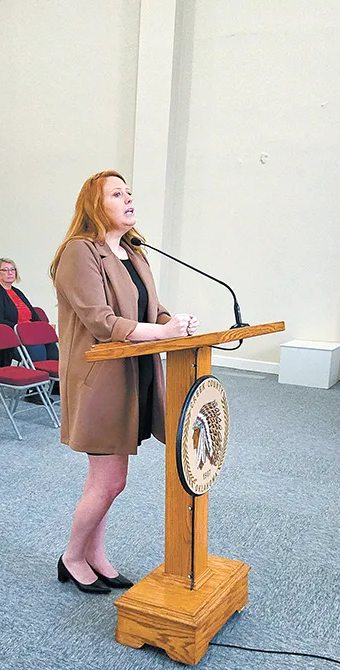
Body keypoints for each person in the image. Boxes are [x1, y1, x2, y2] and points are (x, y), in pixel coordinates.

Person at [50, 170, 199, 594]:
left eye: (129, 192)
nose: (128, 199)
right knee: (110, 480)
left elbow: (151, 308)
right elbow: (102, 322)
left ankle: (94, 555)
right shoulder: (79, 252)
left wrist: (175, 323)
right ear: (96, 205)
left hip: (136, 375)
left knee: (106, 479)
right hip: (100, 380)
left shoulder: (134, 252)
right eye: (117, 194)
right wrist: (163, 334)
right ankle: (72, 557)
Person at [0, 258, 58, 367]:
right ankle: (39, 380)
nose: (10, 273)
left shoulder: (16, 292)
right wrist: (22, 329)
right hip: (11, 337)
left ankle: (55, 382)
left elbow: (33, 315)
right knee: (37, 345)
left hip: (28, 332)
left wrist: (42, 328)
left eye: (13, 270)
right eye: (6, 270)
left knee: (50, 343)